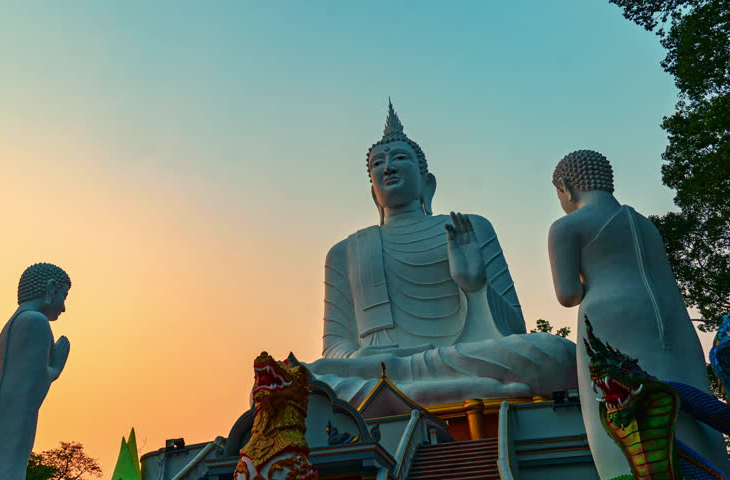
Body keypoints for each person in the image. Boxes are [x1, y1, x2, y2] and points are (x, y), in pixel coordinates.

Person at [307, 102, 577, 406]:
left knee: (555, 353)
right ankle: (461, 388)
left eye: (399, 158)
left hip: (453, 359)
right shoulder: (346, 251)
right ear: (373, 192)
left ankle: (401, 394)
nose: (388, 167)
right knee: (303, 380)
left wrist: (475, 287)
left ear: (427, 182)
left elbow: (512, 330)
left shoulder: (469, 227)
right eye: (377, 164)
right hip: (376, 368)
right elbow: (335, 347)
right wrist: (357, 357)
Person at [548, 149, 728, 478]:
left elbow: (568, 294)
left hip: (608, 318)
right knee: (687, 391)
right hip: (672, 317)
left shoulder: (567, 226)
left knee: (620, 406)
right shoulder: (645, 225)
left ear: (566, 187)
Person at [0, 263, 72, 480]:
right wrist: (55, 369)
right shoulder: (36, 322)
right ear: (51, 288)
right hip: (17, 412)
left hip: (1, 408)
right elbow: (33, 382)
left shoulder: (15, 323)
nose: (64, 307)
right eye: (63, 296)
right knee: (9, 470)